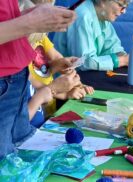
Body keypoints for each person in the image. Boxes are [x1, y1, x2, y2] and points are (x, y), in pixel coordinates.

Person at [0, 0, 80, 160]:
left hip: (16, 78)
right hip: (6, 80)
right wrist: (30, 23)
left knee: (12, 159)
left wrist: (28, 17)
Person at [53, 0, 131, 71]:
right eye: (121, 5)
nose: (124, 11)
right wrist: (122, 60)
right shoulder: (82, 15)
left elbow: (112, 47)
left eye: (126, 6)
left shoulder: (102, 14)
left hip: (83, 78)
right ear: (103, 1)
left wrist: (127, 57)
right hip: (66, 81)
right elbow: (85, 62)